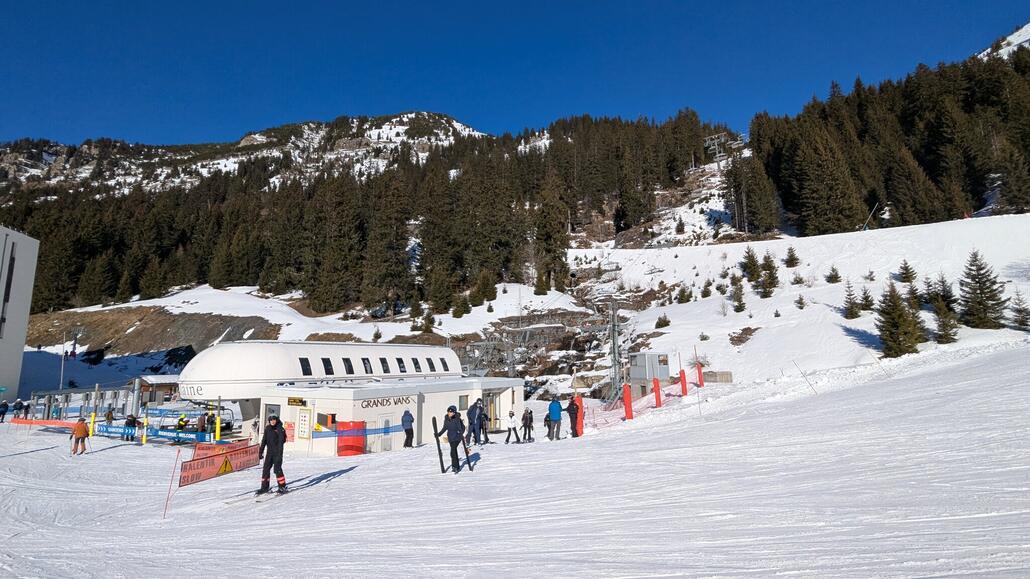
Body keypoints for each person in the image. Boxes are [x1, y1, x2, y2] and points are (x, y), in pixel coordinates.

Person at [258, 414, 288, 494]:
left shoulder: (280, 429)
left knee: (277, 469)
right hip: (269, 453)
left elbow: (281, 442)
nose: (272, 421)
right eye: (271, 420)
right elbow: (264, 441)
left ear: (277, 420)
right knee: (265, 469)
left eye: (274, 420)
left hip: (277, 452)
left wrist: (279, 454)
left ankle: (282, 486)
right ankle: (264, 487)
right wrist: (260, 452)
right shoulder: (267, 429)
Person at [435, 406, 466, 473]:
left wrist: (460, 432)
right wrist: (439, 434)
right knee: (453, 452)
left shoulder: (457, 419)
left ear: (454, 412)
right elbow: (445, 428)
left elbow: (462, 428)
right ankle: (454, 466)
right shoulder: (446, 419)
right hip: (451, 438)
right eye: (449, 412)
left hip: (457, 437)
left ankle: (456, 467)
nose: (450, 413)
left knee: (453, 450)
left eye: (451, 412)